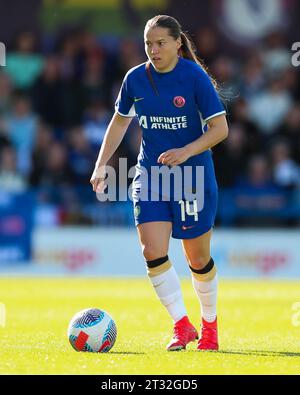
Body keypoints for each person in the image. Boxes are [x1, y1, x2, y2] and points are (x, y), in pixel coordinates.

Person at [90, 15, 228, 351]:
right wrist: (101, 165)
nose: (153, 49)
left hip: (192, 175)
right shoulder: (134, 79)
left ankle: (209, 326)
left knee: (197, 259)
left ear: (178, 43)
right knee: (152, 250)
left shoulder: (194, 77)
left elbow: (220, 129)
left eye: (160, 43)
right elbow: (120, 122)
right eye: (148, 44)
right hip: (151, 174)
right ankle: (182, 326)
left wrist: (185, 151)